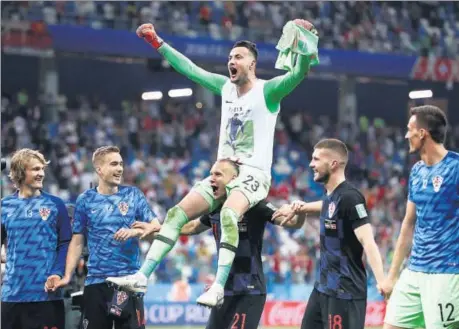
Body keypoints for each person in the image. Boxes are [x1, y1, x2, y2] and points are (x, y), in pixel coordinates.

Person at [108, 20, 319, 308]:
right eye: (230, 57)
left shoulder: (268, 91)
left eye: (238, 57)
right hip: (222, 171)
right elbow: (190, 69)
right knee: (175, 214)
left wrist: (305, 44)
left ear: (252, 64)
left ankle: (218, 287)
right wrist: (157, 42)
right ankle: (142, 275)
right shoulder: (224, 87)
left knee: (230, 215)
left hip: (253, 174)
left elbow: (299, 73)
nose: (231, 61)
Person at [179, 159, 307, 329]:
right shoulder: (214, 208)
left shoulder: (254, 205)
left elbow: (292, 223)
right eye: (210, 174)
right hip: (224, 288)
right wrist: (161, 227)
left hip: (250, 288)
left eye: (217, 174)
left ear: (233, 179)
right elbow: (193, 226)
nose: (211, 179)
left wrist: (301, 211)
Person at [273, 138, 386, 329]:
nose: (311, 164)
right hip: (323, 288)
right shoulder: (332, 196)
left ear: (333, 164)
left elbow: (368, 242)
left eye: (316, 159)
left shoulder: (351, 197)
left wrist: (382, 281)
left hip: (345, 292)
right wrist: (302, 207)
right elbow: (327, 206)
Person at [52, 146, 161, 329]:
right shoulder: (85, 200)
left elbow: (157, 227)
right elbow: (77, 241)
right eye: (114, 164)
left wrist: (136, 231)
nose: (119, 169)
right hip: (96, 282)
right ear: (99, 169)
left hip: (128, 282)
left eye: (120, 164)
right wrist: (67, 275)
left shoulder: (133, 195)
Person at [380, 105, 459, 329]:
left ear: (422, 133)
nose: (406, 135)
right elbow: (408, 224)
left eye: (409, 129)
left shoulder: (456, 168)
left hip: (447, 272)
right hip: (414, 270)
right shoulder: (416, 171)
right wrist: (392, 276)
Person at [1, 148, 72, 329]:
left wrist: (57, 272)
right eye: (35, 169)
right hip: (12, 295)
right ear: (19, 172)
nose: (41, 173)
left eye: (42, 169)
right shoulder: (4, 206)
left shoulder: (56, 205)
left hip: (46, 295)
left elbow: (65, 243)